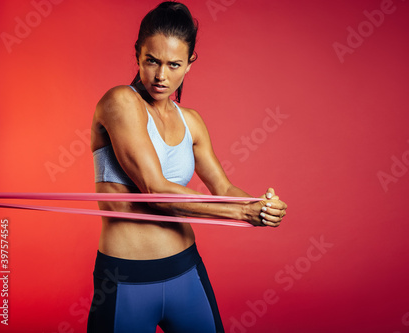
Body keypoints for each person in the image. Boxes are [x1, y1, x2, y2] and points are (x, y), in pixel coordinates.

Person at [87, 2, 287, 332]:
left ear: (190, 63)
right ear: (137, 53)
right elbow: (154, 191)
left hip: (185, 270)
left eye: (174, 64)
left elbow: (224, 190)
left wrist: (258, 207)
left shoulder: (191, 121)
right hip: (125, 278)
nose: (161, 75)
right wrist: (240, 214)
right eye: (152, 60)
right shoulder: (119, 101)